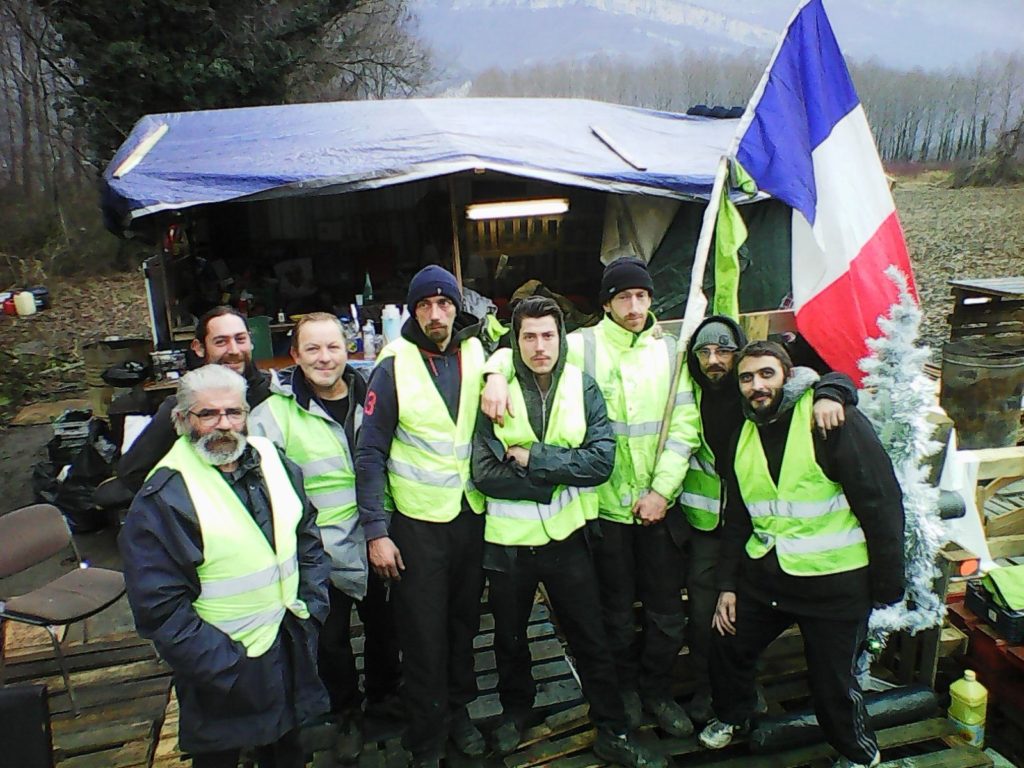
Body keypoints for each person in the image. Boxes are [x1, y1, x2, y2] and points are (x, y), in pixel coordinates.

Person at [482, 257, 701, 737]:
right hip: (603, 509)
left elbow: (685, 427)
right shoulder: (583, 346)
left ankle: (658, 692)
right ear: (606, 303)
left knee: (666, 613)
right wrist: (494, 373)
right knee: (614, 616)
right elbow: (523, 348)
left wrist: (662, 491)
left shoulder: (670, 353)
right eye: (623, 297)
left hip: (657, 507)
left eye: (641, 296)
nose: (634, 306)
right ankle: (625, 694)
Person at [697, 341, 905, 768]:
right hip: (768, 581)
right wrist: (727, 586)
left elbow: (881, 503)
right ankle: (734, 715)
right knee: (727, 642)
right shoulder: (743, 435)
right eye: (747, 378)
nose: (757, 386)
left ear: (787, 376)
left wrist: (887, 586)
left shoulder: (828, 420)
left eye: (767, 374)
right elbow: (738, 518)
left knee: (833, 684)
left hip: (834, 586)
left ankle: (859, 753)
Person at [119, 365, 330, 768]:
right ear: (183, 420)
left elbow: (306, 537)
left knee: (288, 753)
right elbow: (159, 608)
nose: (224, 424)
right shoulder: (166, 494)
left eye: (234, 412)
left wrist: (312, 608)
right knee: (218, 758)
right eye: (208, 414)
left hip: (286, 644)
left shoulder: (272, 459)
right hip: (220, 668)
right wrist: (223, 663)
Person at [680, 316, 855, 724]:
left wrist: (834, 390)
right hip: (707, 525)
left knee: (750, 618)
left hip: (761, 530)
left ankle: (748, 689)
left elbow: (818, 376)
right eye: (704, 352)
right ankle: (711, 692)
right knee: (709, 616)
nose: (714, 360)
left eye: (724, 350)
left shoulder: (755, 391)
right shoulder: (685, 392)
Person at [249, 313, 401, 763]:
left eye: (333, 347)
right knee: (331, 643)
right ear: (295, 355)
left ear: (348, 350)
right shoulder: (272, 416)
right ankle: (346, 712)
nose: (324, 358)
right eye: (312, 349)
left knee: (386, 628)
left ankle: (385, 698)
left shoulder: (374, 397)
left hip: (378, 537)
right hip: (319, 553)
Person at [354, 265, 488, 768]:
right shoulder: (393, 364)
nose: (436, 314)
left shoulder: (476, 352)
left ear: (457, 308)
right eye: (425, 305)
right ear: (413, 311)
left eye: (444, 304)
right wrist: (376, 531)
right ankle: (426, 735)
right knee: (423, 634)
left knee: (463, 623)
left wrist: (498, 375)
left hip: (469, 516)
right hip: (417, 523)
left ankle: (459, 712)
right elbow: (370, 452)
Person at [112, 306, 272, 497]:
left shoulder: (274, 393)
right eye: (221, 342)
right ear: (199, 348)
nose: (234, 350)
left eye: (240, 339)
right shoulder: (183, 406)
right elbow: (133, 473)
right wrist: (187, 503)